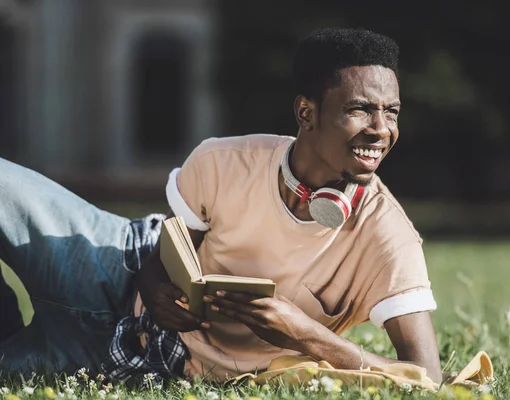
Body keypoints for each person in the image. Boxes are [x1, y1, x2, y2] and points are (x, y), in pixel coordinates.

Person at [0, 27, 442, 384]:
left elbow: (428, 379)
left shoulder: (390, 238)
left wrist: (308, 336)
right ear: (306, 112)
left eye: (392, 112)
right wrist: (154, 287)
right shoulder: (223, 160)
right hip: (111, 262)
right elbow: (165, 250)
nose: (381, 129)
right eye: (361, 110)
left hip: (148, 359)